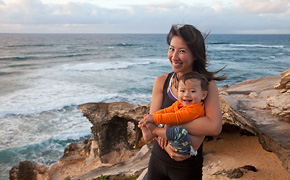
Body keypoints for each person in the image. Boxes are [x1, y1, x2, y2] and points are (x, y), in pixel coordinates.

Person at [140, 24, 226, 180]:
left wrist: (171, 125)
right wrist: (167, 146)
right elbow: (153, 123)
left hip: (187, 167)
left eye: (182, 51)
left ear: (195, 55)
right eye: (172, 49)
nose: (174, 56)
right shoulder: (161, 82)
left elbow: (214, 127)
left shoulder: (207, 85)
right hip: (158, 159)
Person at [139, 71, 209, 156]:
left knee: (175, 127)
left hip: (186, 147)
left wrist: (154, 121)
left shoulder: (196, 108)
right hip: (174, 141)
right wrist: (152, 116)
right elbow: (167, 110)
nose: (186, 95)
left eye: (193, 91)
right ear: (177, 91)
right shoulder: (180, 103)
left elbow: (177, 117)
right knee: (164, 118)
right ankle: (149, 135)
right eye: (182, 91)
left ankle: (155, 131)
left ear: (203, 95)